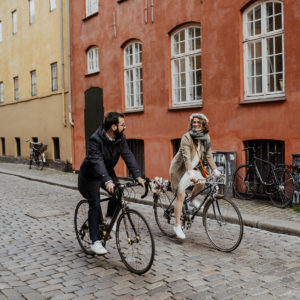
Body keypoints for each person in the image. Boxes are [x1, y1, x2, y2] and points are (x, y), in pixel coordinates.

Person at [78, 112, 145, 255]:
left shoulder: (120, 138)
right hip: (89, 176)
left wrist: (138, 176)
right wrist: (107, 180)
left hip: (106, 172)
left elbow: (128, 156)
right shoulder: (95, 139)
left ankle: (108, 218)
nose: (125, 127)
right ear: (113, 127)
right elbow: (97, 161)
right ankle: (95, 241)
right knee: (94, 203)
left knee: (118, 191)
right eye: (123, 125)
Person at [169, 113, 221, 239]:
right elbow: (186, 157)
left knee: (201, 183)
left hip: (194, 168)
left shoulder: (206, 138)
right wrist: (190, 173)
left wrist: (215, 170)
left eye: (199, 122)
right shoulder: (186, 137)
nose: (196, 124)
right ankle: (177, 225)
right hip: (180, 169)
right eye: (194, 122)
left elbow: (208, 155)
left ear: (204, 125)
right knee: (180, 196)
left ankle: (191, 200)